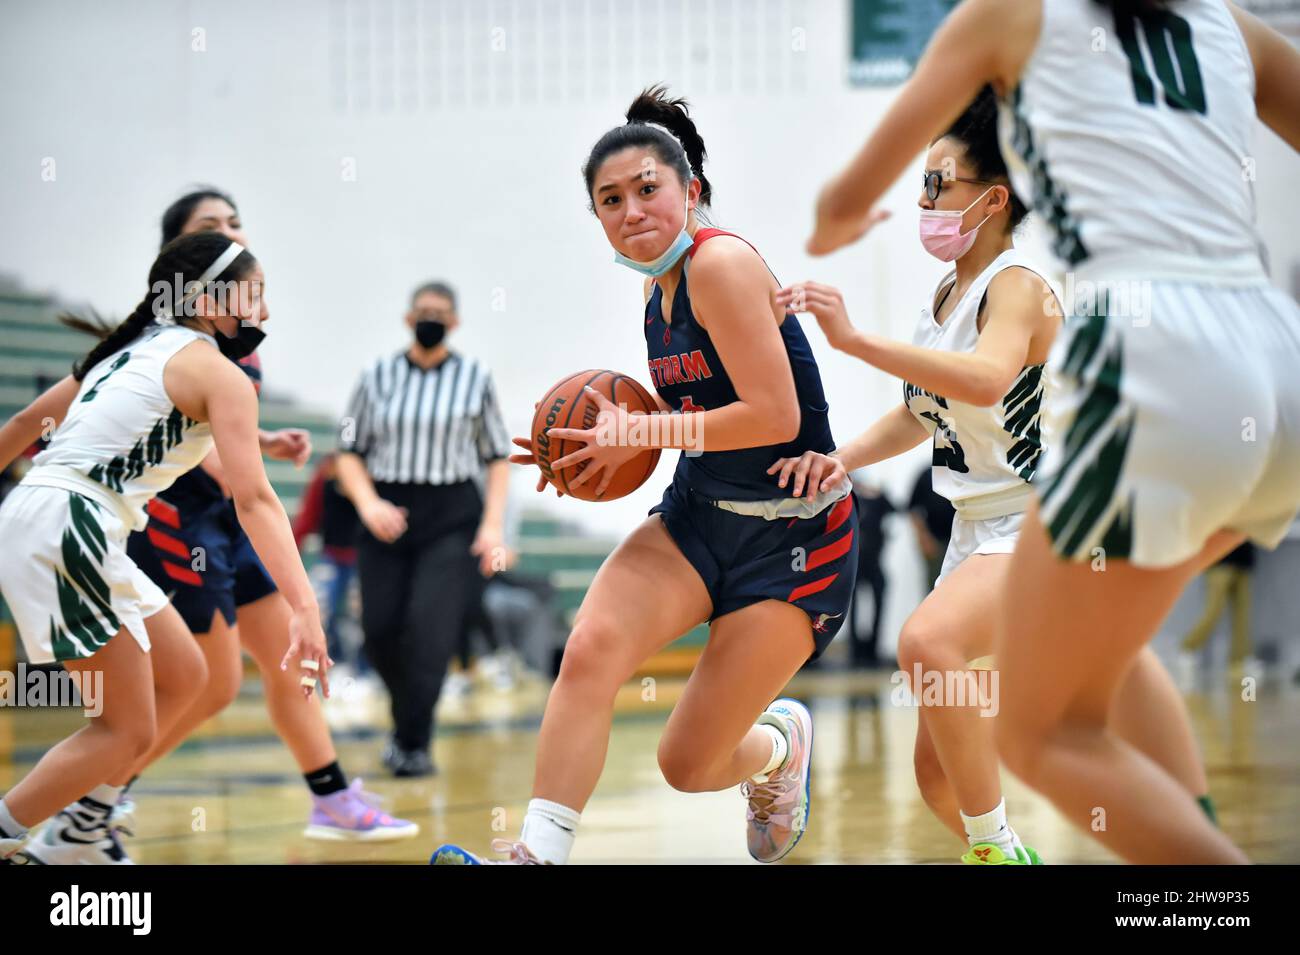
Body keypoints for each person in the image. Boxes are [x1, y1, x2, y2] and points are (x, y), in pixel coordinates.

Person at [807, 0, 1300, 863]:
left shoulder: (1018, 272)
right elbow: (930, 410)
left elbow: (983, 370)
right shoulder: (1227, 24)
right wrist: (835, 461)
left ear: (994, 196)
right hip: (1270, 356)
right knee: (945, 767)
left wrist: (843, 286)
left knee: (967, 673)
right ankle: (1183, 829)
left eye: (938, 184)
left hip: (1122, 405)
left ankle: (1074, 864)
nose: (924, 199)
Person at [432, 86, 859, 866]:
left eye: (647, 189)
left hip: (794, 537)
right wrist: (587, 447)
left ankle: (778, 748)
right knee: (589, 648)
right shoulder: (654, 291)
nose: (631, 210)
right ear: (596, 217)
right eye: (610, 199)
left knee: (687, 764)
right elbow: (700, 402)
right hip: (700, 512)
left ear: (690, 190)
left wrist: (649, 428)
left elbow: (776, 417)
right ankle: (539, 853)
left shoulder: (721, 263)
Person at [24, 191, 416, 862]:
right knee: (190, 689)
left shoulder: (216, 347)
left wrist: (260, 441)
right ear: (187, 274)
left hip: (199, 516)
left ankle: (328, 793)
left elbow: (198, 423)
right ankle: (90, 805)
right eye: (214, 229)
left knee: (267, 662)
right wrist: (253, 474)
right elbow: (213, 461)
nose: (233, 232)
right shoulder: (150, 343)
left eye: (237, 222)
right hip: (166, 518)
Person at [0, 233, 330, 863]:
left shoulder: (126, 352)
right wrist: (305, 609)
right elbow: (255, 501)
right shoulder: (219, 372)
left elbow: (22, 427)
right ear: (210, 298)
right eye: (255, 296)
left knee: (186, 675)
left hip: (46, 515)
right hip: (74, 523)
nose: (263, 313)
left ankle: (79, 835)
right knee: (125, 730)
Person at [335, 281, 513, 776]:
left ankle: (413, 744)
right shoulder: (376, 376)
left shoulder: (475, 378)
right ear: (408, 318)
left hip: (452, 514)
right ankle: (404, 721)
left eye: (440, 312)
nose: (430, 319)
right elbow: (347, 449)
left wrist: (492, 526)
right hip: (386, 509)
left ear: (454, 322)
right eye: (422, 311)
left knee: (429, 631)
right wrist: (368, 503)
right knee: (379, 631)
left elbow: (497, 456)